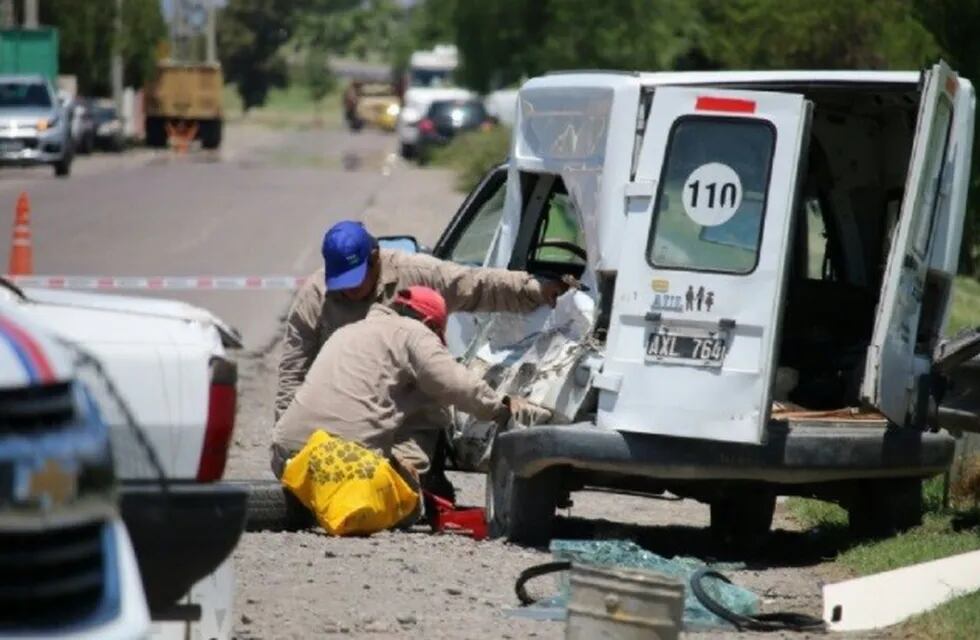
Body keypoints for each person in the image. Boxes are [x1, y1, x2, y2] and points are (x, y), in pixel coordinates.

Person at [275, 220, 568, 421]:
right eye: (341, 282)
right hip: (340, 407)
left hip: (408, 414)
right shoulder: (315, 297)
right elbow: (293, 371)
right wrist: (286, 436)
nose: (349, 290)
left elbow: (477, 285)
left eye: (355, 279)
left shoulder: (416, 273)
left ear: (375, 258)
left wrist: (535, 289)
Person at [271, 286, 550, 483]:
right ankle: (413, 484)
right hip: (343, 462)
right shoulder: (414, 332)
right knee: (433, 406)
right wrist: (499, 408)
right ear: (430, 323)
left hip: (287, 454)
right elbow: (453, 383)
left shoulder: (349, 330)